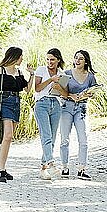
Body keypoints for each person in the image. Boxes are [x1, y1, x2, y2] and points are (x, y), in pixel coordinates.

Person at [0, 47, 35, 182]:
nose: (22, 59)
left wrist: (31, 74)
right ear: (14, 57)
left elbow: (27, 90)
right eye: (21, 56)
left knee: (8, 138)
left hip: (16, 103)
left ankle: (2, 169)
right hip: (5, 102)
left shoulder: (19, 72)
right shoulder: (1, 70)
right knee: (8, 136)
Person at [60, 50, 98, 180]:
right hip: (66, 107)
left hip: (81, 109)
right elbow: (60, 91)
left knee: (83, 140)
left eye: (81, 59)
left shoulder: (90, 76)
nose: (77, 60)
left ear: (86, 61)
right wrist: (71, 95)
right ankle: (64, 167)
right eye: (76, 58)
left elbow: (94, 91)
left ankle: (81, 169)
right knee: (64, 139)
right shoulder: (67, 74)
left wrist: (88, 94)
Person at [34, 48, 68, 180]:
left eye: (52, 59)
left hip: (56, 105)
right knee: (46, 135)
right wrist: (50, 80)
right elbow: (37, 88)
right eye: (48, 59)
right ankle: (51, 164)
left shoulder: (62, 73)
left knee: (52, 138)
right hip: (42, 104)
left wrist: (59, 87)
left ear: (58, 60)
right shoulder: (41, 70)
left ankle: (43, 168)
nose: (50, 62)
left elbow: (65, 94)